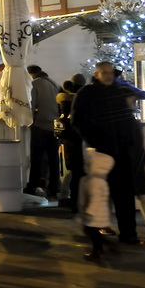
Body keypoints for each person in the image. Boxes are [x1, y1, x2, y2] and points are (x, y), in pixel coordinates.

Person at [72, 61, 142, 245]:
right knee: (99, 194)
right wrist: (93, 139)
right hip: (101, 151)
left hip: (120, 150)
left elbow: (127, 117)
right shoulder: (87, 93)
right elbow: (77, 120)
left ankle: (129, 234)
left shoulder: (118, 92)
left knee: (124, 193)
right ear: (97, 74)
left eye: (110, 72)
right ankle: (96, 235)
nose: (109, 76)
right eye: (105, 73)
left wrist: (129, 140)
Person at [25, 65, 61, 198]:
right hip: (55, 126)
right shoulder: (55, 84)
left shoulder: (35, 84)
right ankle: (54, 187)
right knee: (53, 159)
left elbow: (31, 104)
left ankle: (33, 186)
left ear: (31, 74)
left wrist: (30, 121)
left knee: (37, 159)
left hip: (41, 126)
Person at [56, 74, 86, 211]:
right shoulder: (80, 101)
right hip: (78, 138)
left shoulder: (63, 101)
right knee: (78, 170)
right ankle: (76, 201)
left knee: (71, 169)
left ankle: (68, 198)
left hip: (67, 138)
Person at [80, 148, 114, 262]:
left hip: (95, 214)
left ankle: (98, 250)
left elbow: (95, 198)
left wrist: (89, 211)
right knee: (91, 231)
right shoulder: (101, 180)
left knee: (91, 231)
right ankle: (106, 244)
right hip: (101, 213)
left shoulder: (94, 181)